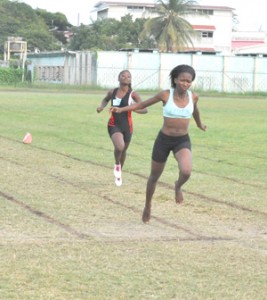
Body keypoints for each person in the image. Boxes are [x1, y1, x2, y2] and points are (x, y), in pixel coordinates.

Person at [110, 64, 206, 223]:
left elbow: (195, 110)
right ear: (175, 80)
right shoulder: (165, 95)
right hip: (163, 140)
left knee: (187, 171)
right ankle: (147, 205)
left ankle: (178, 186)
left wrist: (199, 124)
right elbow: (141, 105)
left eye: (188, 81)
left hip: (182, 140)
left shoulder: (193, 97)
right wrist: (122, 110)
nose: (185, 84)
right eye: (182, 80)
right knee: (154, 177)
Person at [97, 70, 147, 186]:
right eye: (123, 76)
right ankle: (116, 164)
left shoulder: (133, 94)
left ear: (130, 80)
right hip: (114, 124)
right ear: (118, 78)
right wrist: (101, 107)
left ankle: (119, 173)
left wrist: (132, 108)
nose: (126, 77)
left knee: (124, 150)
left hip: (127, 127)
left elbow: (144, 109)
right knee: (120, 147)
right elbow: (105, 100)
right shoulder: (112, 92)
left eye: (128, 76)